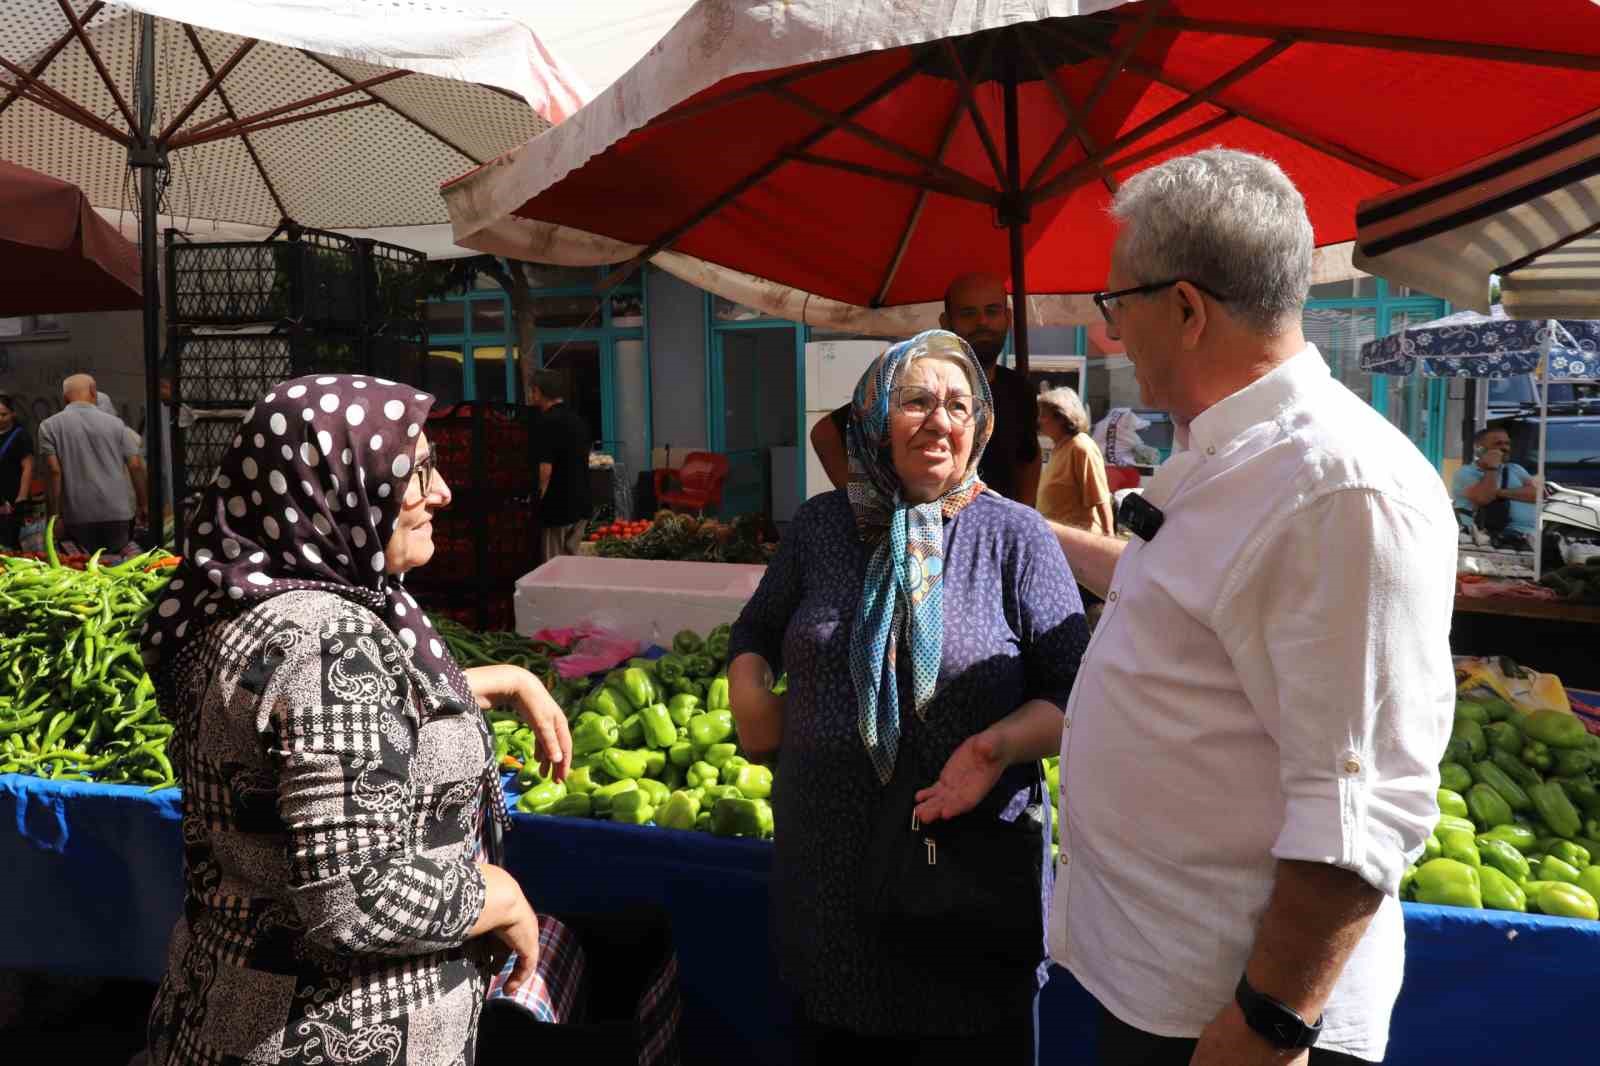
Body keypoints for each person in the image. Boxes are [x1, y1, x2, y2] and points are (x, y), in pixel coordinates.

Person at [1046, 150, 1456, 1066]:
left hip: (1234, 1023)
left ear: (1187, 310)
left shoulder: (1337, 487)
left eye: (1118, 305)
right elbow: (1187, 604)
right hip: (1169, 991)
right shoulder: (1229, 456)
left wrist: (1270, 1022)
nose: (1111, 332)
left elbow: (1361, 804)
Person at [139, 374, 572, 1066]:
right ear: (334, 486)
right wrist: (499, 898)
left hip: (227, 1004)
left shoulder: (247, 607)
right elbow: (356, 900)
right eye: (416, 471)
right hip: (331, 1034)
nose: (441, 492)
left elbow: (321, 728)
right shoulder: (329, 639)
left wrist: (506, 679)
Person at [729, 330, 1087, 1063]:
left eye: (958, 406)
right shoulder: (822, 526)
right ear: (873, 418)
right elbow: (756, 630)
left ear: (980, 425)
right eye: (916, 401)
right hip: (828, 873)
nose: (940, 421)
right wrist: (750, 695)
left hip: (964, 875)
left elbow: (1075, 688)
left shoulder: (1013, 535)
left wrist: (997, 748)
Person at [809, 273, 1043, 504]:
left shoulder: (1020, 390)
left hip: (993, 525)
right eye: (968, 313)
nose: (982, 321)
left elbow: (1029, 457)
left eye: (992, 311)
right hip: (917, 524)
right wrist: (866, 504)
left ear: (1008, 318)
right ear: (946, 323)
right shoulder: (918, 383)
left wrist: (1025, 513)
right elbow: (825, 434)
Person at [36, 373, 147, 553]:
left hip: (76, 515)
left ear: (65, 398)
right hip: (117, 514)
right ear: (93, 391)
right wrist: (143, 504)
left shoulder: (49, 426)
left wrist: (54, 516)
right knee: (116, 563)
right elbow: (135, 465)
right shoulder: (117, 425)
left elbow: (54, 471)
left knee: (81, 564)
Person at [528, 369, 592, 560]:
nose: (531, 395)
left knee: (553, 566)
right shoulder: (578, 421)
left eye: (533, 391)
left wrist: (537, 499)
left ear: (538, 392)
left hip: (558, 509)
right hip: (581, 505)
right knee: (571, 563)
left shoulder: (546, 422)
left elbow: (545, 468)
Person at [1034, 387, 1113, 534]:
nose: (1039, 420)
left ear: (1062, 417)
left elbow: (1101, 499)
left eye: (1044, 415)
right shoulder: (1060, 447)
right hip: (1057, 540)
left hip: (1079, 541)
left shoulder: (1080, 447)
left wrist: (1109, 538)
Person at [1452, 425, 1539, 546]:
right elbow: (1483, 497)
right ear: (1480, 449)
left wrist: (1499, 493)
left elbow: (1536, 494)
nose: (1505, 448)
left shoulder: (1515, 469)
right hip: (1487, 541)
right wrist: (1492, 468)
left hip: (1527, 538)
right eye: (1498, 444)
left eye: (1507, 444)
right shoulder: (1466, 473)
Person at [0, 394, 35, 547]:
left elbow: (28, 467)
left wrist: (21, 498)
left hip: (12, 498)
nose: (0, 418)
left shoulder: (21, 436)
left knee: (9, 543)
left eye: (4, 414)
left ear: (13, 414)